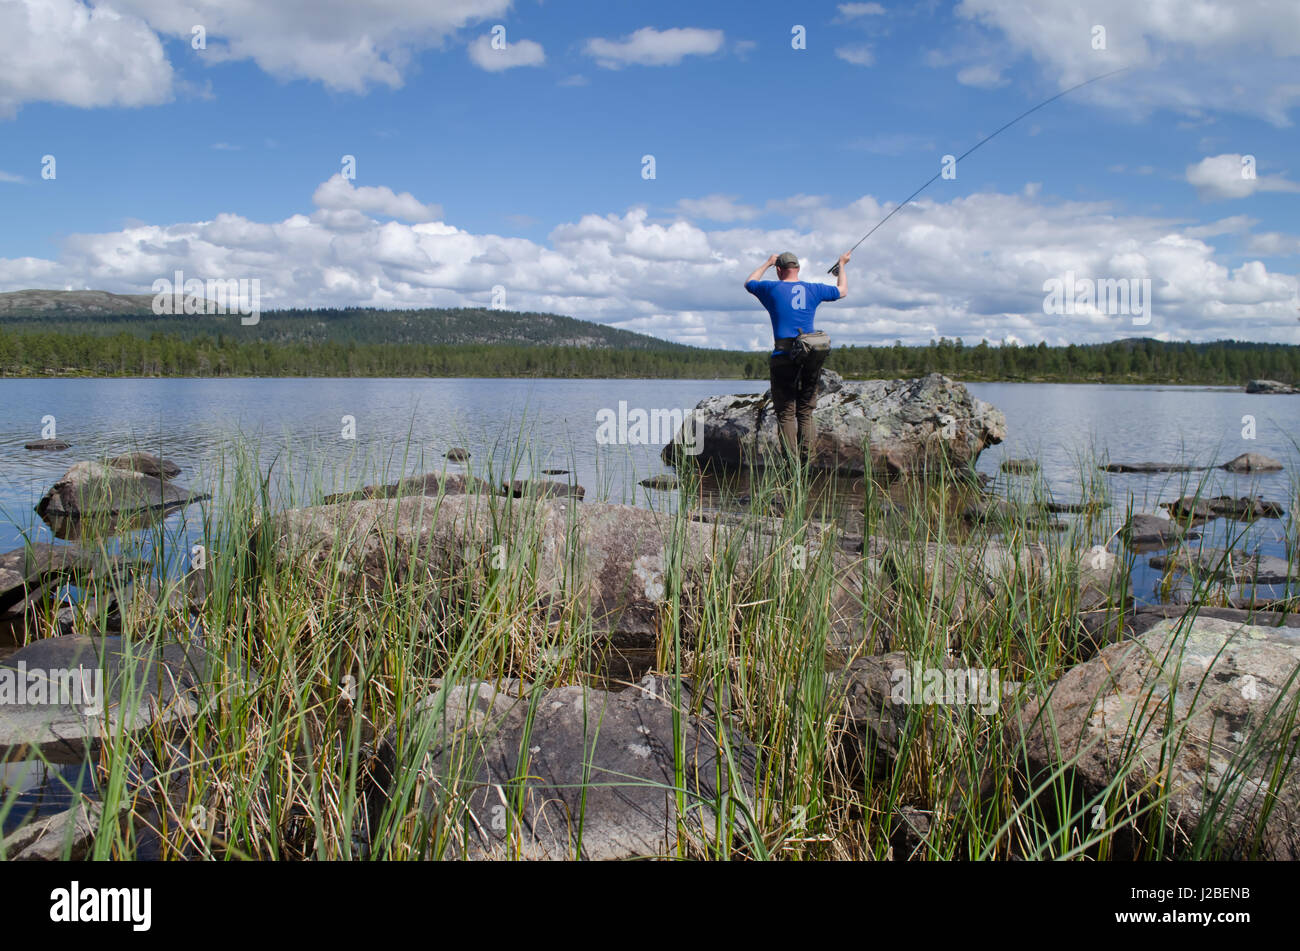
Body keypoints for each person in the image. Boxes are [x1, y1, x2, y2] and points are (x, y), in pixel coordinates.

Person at [744, 250, 850, 462]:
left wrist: (767, 262)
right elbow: (842, 290)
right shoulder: (814, 289)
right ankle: (806, 463)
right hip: (809, 356)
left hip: (783, 356)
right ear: (798, 269)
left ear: (779, 270)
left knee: (786, 413)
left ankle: (791, 465)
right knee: (805, 412)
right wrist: (842, 265)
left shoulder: (771, 288)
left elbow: (749, 282)